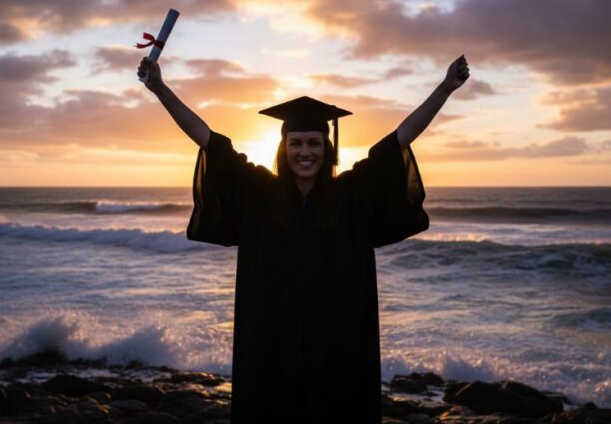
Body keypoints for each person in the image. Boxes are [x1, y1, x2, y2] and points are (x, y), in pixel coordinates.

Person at [138, 56, 469, 423]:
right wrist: (160, 88)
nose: (305, 152)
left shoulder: (351, 194)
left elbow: (399, 139)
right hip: (271, 338)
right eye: (296, 143)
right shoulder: (259, 192)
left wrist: (445, 88)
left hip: (337, 340)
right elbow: (209, 140)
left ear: (327, 148)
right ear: (284, 148)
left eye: (314, 142)